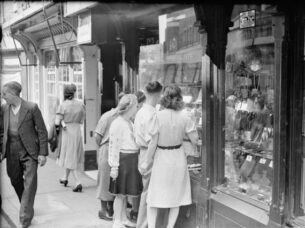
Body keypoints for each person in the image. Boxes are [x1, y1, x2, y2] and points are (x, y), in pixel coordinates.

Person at [142, 85, 198, 228]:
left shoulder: (157, 116)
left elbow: (153, 143)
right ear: (179, 97)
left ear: (164, 97)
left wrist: (146, 162)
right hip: (178, 157)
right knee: (176, 196)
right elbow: (195, 139)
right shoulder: (185, 116)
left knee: (153, 197)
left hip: (162, 158)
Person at [1, 81, 48, 228]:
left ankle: (24, 218)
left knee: (30, 185)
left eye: (4, 94)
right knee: (15, 180)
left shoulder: (31, 108)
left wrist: (43, 153)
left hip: (30, 152)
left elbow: (42, 131)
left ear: (13, 94)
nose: (2, 97)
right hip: (11, 150)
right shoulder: (4, 109)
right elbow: (1, 131)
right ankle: (27, 206)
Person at [108, 94, 143, 228]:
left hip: (131, 160)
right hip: (123, 160)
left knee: (124, 193)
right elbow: (113, 146)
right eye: (135, 106)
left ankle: (123, 218)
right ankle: (117, 220)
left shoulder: (128, 122)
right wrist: (114, 166)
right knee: (120, 194)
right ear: (129, 107)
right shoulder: (118, 123)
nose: (136, 108)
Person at [133, 81, 163, 228]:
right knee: (148, 192)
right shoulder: (151, 114)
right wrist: (147, 161)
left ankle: (143, 223)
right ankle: (143, 224)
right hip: (149, 155)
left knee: (145, 191)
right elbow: (153, 141)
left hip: (142, 153)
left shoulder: (140, 112)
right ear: (158, 94)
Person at [94, 93, 125, 221]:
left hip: (121, 149)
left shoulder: (126, 117)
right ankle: (103, 210)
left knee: (115, 180)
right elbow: (97, 136)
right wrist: (104, 148)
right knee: (105, 180)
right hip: (107, 148)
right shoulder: (107, 117)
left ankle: (111, 208)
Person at [55, 84, 85, 192]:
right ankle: (65, 178)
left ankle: (78, 182)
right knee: (71, 155)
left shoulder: (63, 105)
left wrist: (61, 126)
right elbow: (82, 120)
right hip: (77, 130)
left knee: (70, 156)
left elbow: (57, 122)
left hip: (67, 131)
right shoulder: (81, 105)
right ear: (74, 93)